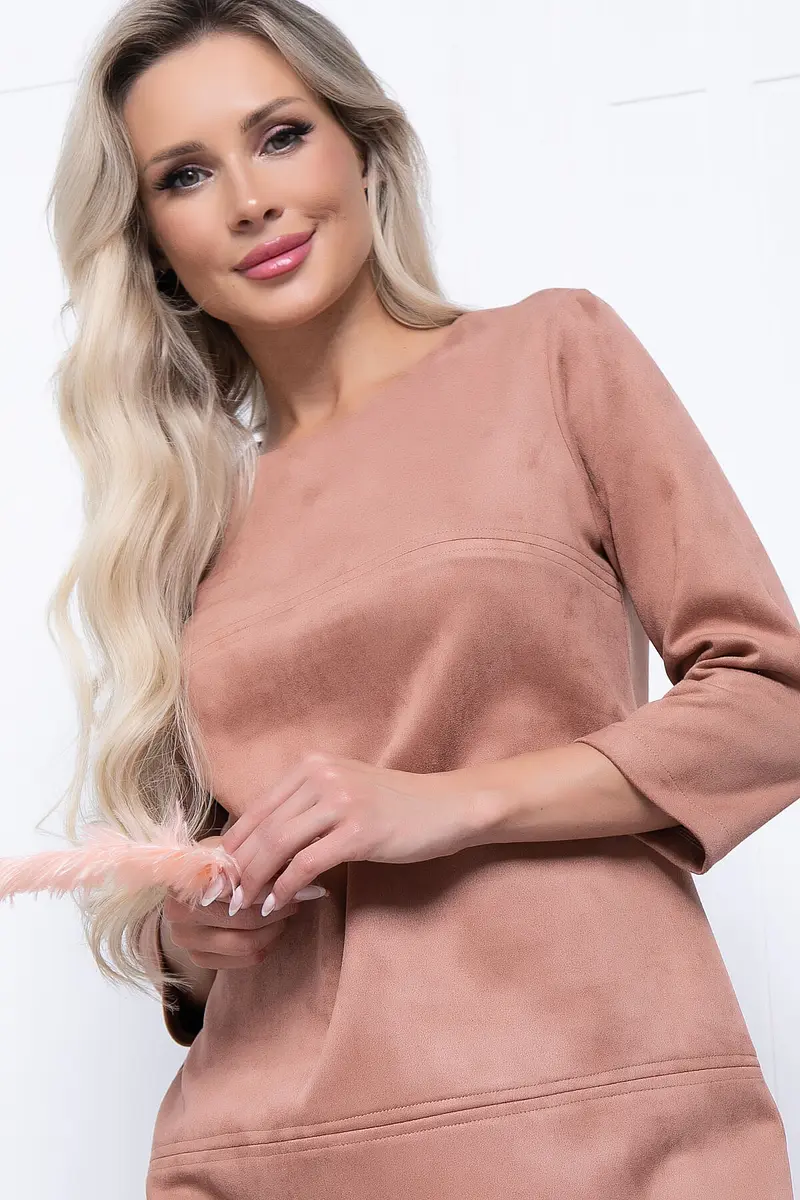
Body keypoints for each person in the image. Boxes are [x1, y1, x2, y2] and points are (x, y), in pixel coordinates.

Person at [41, 0, 800, 1196]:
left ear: (363, 148)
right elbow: (201, 865)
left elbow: (771, 701)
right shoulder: (177, 526)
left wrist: (446, 803)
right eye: (185, 175)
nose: (248, 200)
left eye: (279, 135)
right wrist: (187, 938)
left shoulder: (550, 356)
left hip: (592, 1108)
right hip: (271, 1145)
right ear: (151, 247)